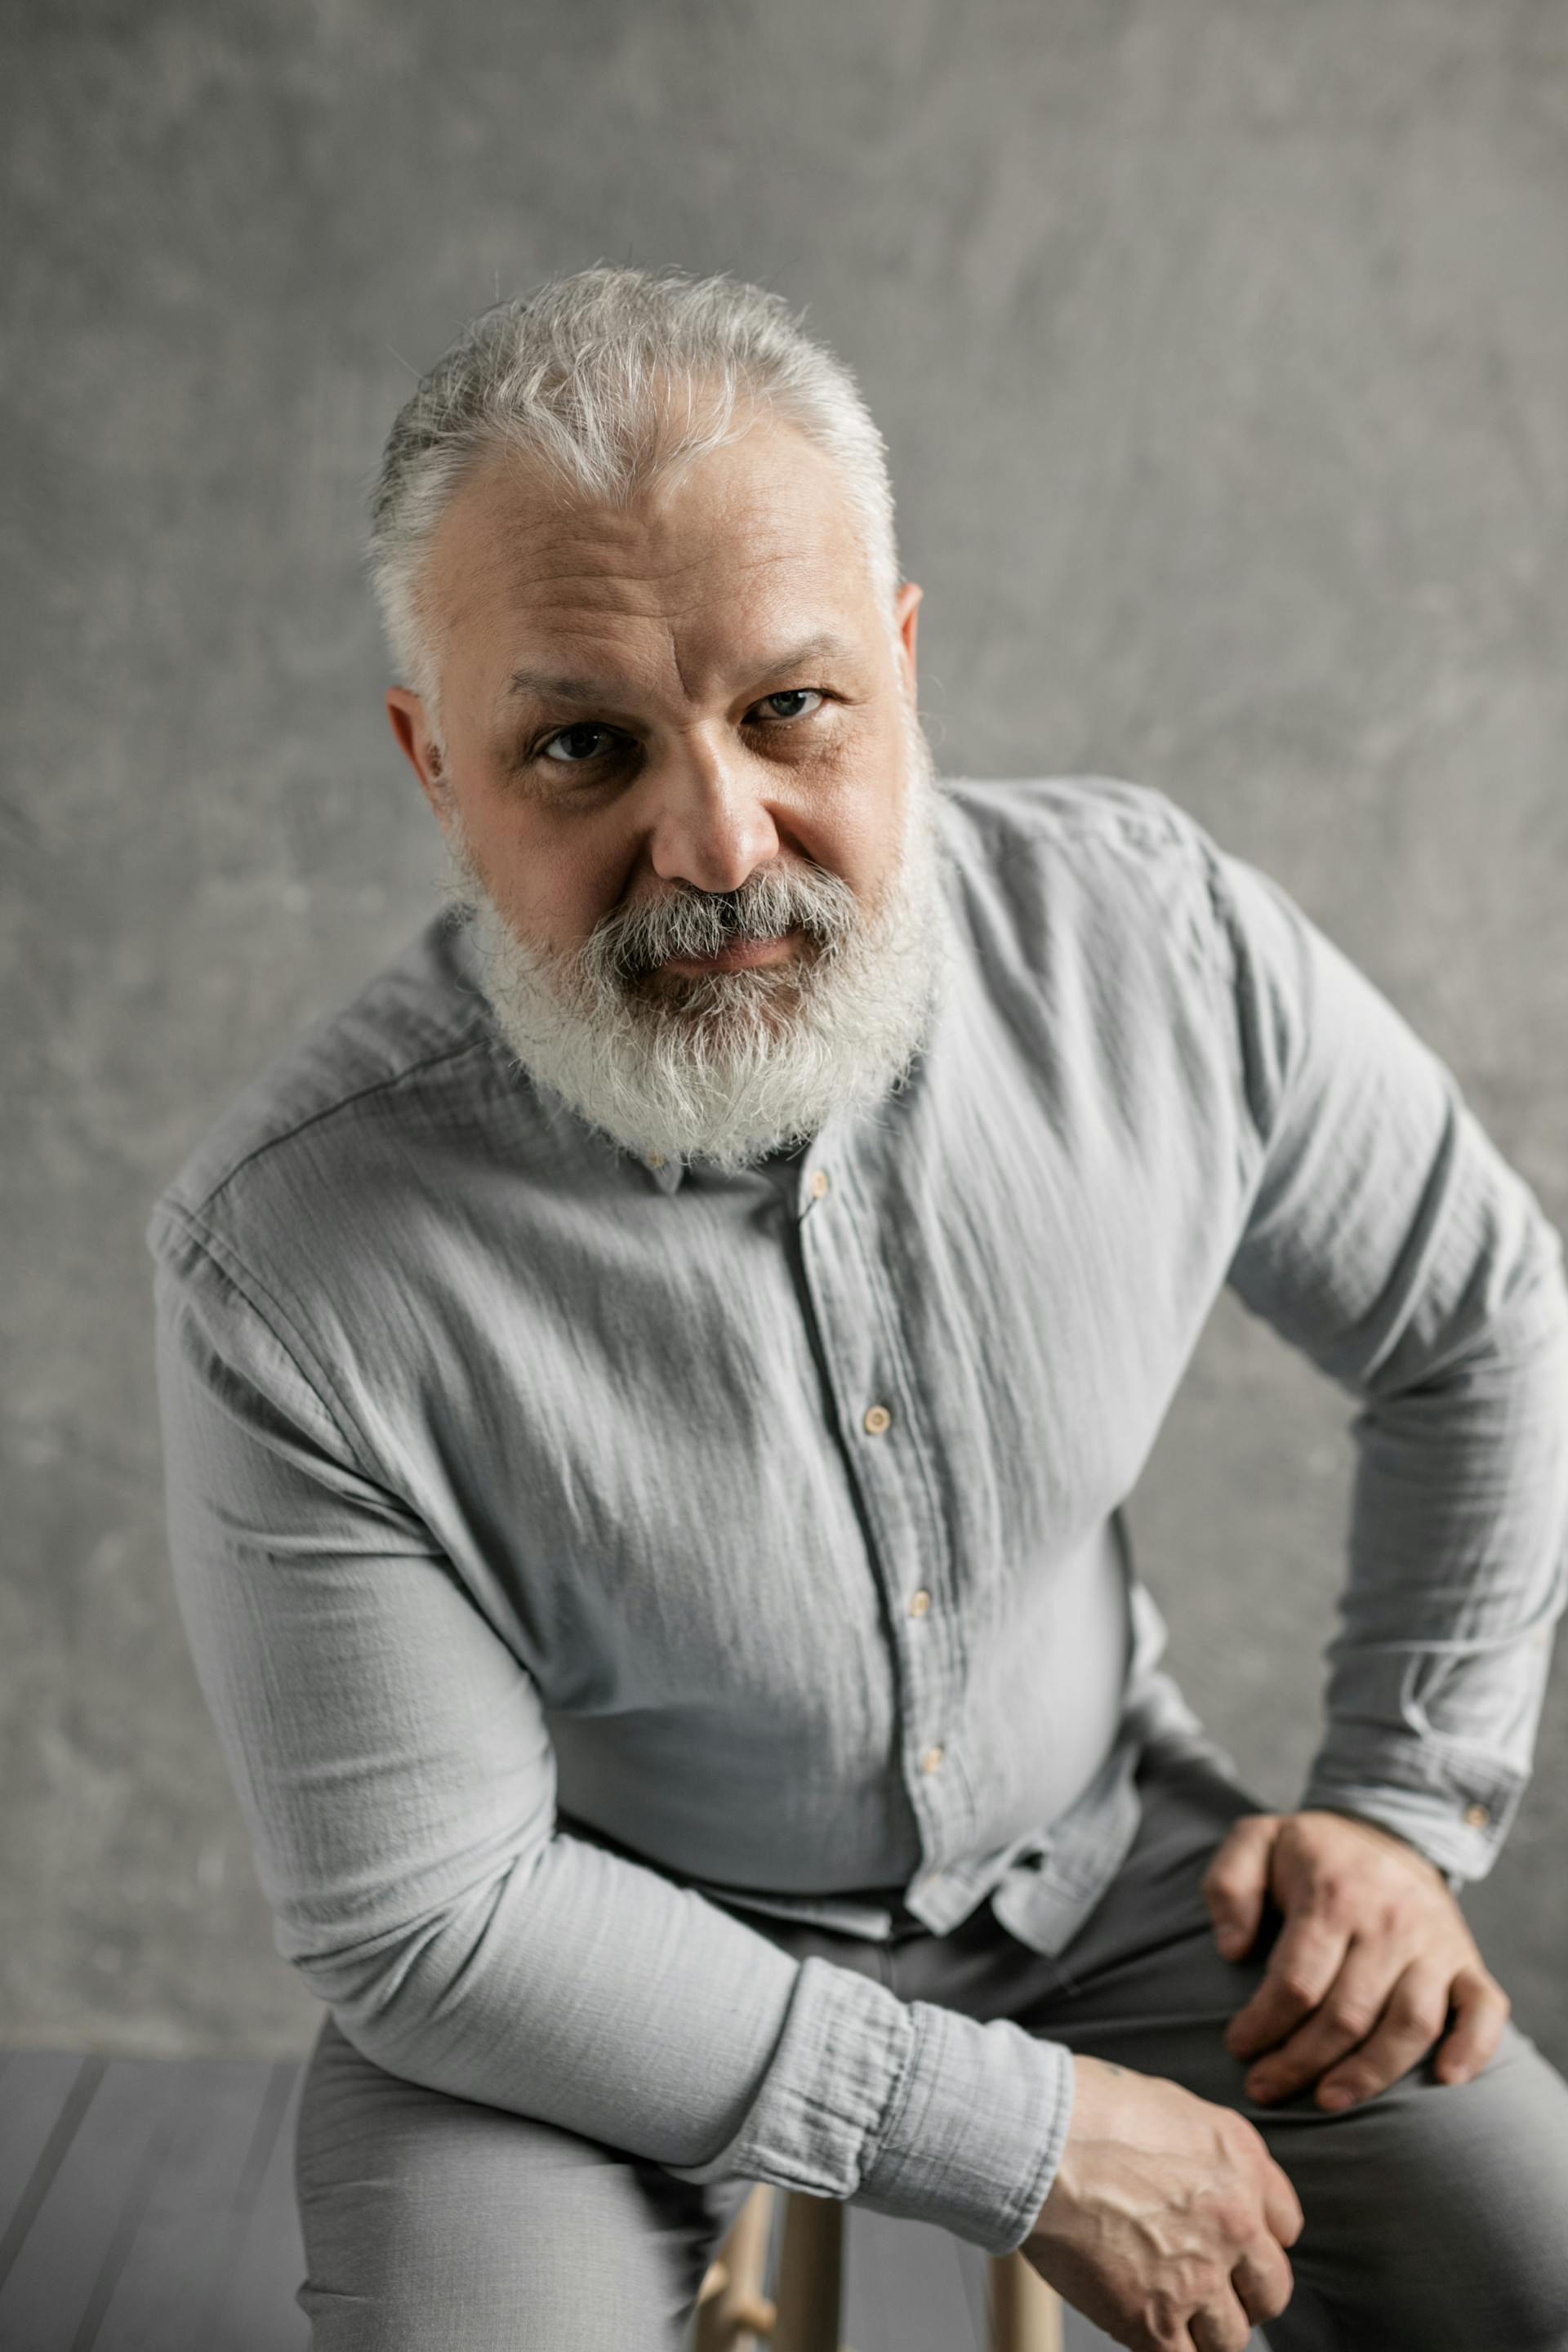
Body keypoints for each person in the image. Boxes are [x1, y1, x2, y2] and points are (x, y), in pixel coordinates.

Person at [147, 264, 1568, 2352]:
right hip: (581, 1985)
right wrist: (1025, 2135)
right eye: (581, 747)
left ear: (902, 666)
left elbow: (1478, 1311)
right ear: (436, 766)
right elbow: (438, 1925)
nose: (717, 842)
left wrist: (1397, 1804)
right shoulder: (281, 1263)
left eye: (790, 706)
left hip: (1114, 1874)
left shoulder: (1151, 943)